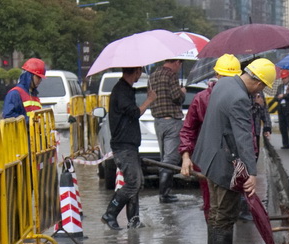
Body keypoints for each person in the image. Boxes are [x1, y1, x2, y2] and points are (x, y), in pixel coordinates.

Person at [192, 58, 276, 244]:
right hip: (223, 164)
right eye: (263, 86)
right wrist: (251, 173)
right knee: (226, 215)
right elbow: (244, 138)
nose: (261, 90)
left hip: (208, 158)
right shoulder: (239, 98)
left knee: (216, 213)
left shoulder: (224, 84)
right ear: (258, 83)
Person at [180, 54, 242, 225]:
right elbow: (188, 130)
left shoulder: (242, 98)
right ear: (217, 75)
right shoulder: (202, 99)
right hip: (209, 160)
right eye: (225, 77)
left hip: (231, 160)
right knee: (213, 207)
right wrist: (186, 157)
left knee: (226, 209)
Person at [100, 67, 156, 230]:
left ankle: (134, 219)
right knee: (133, 183)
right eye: (140, 71)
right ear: (137, 71)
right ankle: (110, 213)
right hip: (123, 146)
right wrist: (149, 100)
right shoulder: (121, 91)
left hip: (130, 145)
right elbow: (134, 112)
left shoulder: (127, 90)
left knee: (137, 183)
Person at [148, 57, 186, 204]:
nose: (179, 68)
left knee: (164, 157)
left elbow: (150, 97)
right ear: (176, 62)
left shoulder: (153, 75)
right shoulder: (171, 75)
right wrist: (182, 91)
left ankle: (165, 192)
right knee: (170, 159)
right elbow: (177, 97)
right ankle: (164, 194)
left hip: (158, 122)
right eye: (179, 64)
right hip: (172, 121)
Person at [273, 69, 289, 149]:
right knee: (282, 127)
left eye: (285, 78)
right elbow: (275, 97)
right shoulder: (280, 87)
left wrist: (284, 95)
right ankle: (285, 144)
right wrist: (278, 97)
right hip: (281, 108)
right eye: (282, 78)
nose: (284, 80)